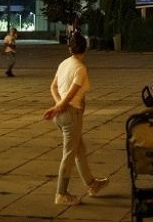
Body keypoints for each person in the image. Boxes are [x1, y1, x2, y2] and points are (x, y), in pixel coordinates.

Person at [42, 30, 109, 206]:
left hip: (63, 114)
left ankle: (92, 184)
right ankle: (61, 194)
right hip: (72, 115)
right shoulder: (80, 69)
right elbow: (71, 95)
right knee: (69, 155)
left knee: (79, 150)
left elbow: (53, 88)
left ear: (70, 48)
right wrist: (60, 106)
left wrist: (58, 106)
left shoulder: (64, 63)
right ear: (85, 49)